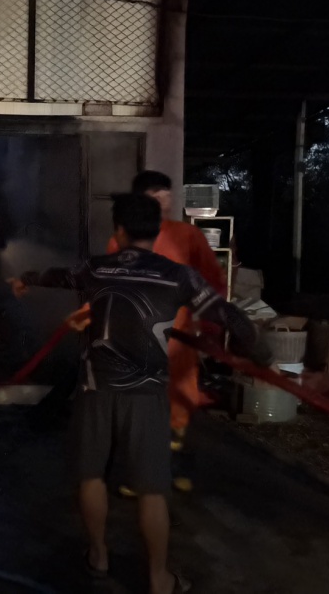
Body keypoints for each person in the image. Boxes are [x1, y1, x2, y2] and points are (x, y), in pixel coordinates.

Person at [10, 194, 270, 594]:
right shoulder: (178, 276)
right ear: (156, 230)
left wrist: (25, 278)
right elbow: (227, 314)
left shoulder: (96, 268)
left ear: (119, 230)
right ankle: (158, 580)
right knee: (151, 489)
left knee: (91, 476)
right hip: (145, 394)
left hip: (96, 389)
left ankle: (98, 556)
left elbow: (56, 275)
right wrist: (258, 350)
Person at [108, 171, 227, 493]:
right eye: (155, 196)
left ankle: (171, 471)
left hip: (179, 340)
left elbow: (213, 281)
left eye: (166, 195)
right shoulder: (122, 239)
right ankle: (140, 476)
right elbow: (109, 286)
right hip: (137, 341)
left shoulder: (188, 236)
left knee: (179, 406)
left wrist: (209, 324)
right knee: (139, 407)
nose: (163, 202)